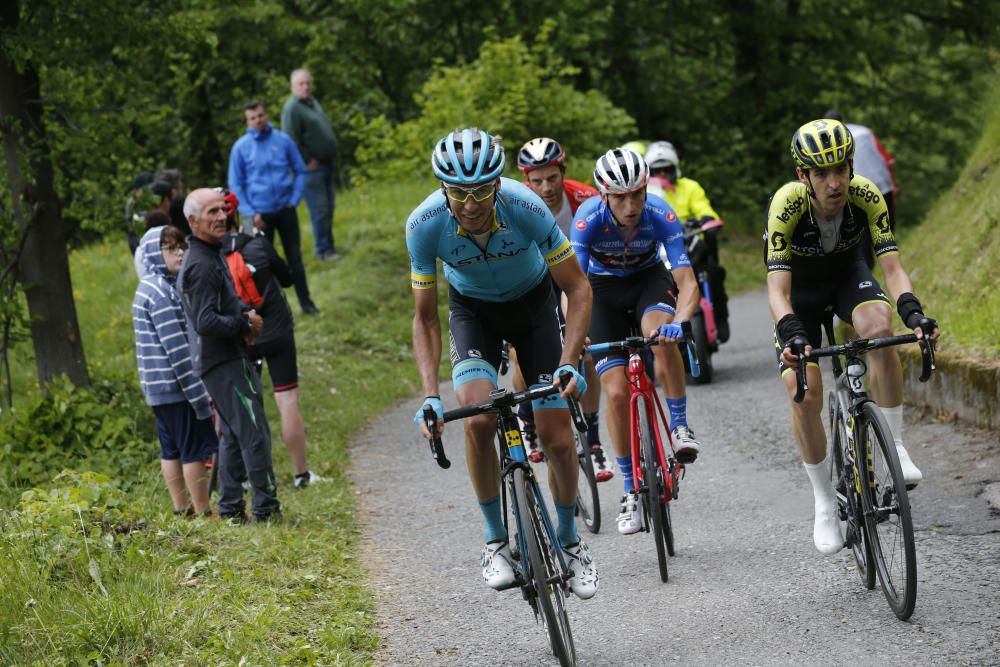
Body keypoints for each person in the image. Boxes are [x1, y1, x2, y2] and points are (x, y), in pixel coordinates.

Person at [408, 128, 599, 599]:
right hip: (472, 313)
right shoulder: (423, 224)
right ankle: (496, 540)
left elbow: (577, 289)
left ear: (498, 183)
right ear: (442, 188)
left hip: (534, 309)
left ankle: (572, 543)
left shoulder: (526, 206)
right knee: (477, 419)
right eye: (458, 192)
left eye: (481, 191)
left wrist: (571, 361)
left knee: (555, 437)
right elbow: (426, 318)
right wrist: (431, 393)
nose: (470, 204)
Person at [765, 118, 939, 555]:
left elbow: (892, 268)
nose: (834, 181)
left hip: (848, 277)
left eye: (840, 168)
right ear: (802, 175)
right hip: (799, 295)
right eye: (821, 173)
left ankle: (895, 448)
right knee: (804, 392)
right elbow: (777, 291)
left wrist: (913, 313)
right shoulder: (786, 205)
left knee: (879, 330)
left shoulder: (866, 196)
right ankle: (825, 502)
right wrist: (791, 332)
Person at [570, 147, 702, 536]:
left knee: (661, 338)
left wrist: (680, 320)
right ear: (604, 195)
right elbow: (573, 287)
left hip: (648, 282)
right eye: (621, 197)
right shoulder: (586, 220)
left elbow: (687, 281)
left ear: (646, 190)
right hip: (602, 291)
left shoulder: (661, 214)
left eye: (637, 195)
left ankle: (679, 427)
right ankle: (629, 487)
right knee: (613, 393)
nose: (630, 206)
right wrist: (574, 334)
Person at [178, 188, 282, 523]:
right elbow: (204, 321)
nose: (222, 217)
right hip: (220, 362)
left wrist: (246, 315)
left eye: (223, 210)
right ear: (193, 221)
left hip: (227, 356)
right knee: (254, 434)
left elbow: (223, 304)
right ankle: (266, 512)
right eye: (212, 213)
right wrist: (243, 322)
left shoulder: (211, 252)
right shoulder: (200, 264)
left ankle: (232, 510)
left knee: (236, 437)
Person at [516, 137, 612, 481]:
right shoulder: (518, 204)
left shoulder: (585, 197)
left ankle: (595, 440)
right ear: (525, 180)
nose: (546, 187)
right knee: (522, 348)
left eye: (552, 178)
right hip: (533, 280)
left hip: (574, 277)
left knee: (585, 353)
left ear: (563, 172)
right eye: (537, 180)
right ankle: (527, 418)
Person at [219, 190, 329, 488]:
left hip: (244, 335)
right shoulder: (257, 245)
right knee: (287, 399)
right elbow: (289, 278)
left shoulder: (215, 259)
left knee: (248, 406)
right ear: (235, 218)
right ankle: (301, 474)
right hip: (277, 330)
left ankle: (246, 479)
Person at [131, 225, 218, 517]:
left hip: (157, 389)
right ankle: (204, 512)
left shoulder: (149, 286)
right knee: (191, 450)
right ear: (155, 254)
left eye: (181, 246)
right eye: (170, 248)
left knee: (170, 449)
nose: (179, 252)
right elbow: (177, 349)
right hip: (175, 386)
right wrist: (197, 391)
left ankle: (182, 509)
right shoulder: (160, 292)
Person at [228, 100, 320, 315]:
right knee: (255, 263)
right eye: (253, 117)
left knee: (294, 258)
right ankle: (262, 309)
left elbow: (300, 170)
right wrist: (250, 213)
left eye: (261, 115)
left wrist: (294, 200)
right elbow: (235, 184)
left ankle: (306, 303)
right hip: (255, 215)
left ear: (266, 115)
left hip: (285, 209)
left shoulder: (282, 140)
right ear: (247, 121)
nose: (258, 120)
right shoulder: (240, 147)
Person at [645, 140, 731, 342]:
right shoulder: (644, 193)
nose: (663, 174)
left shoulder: (690, 187)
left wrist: (707, 219)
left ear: (675, 168)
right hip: (659, 250)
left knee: (713, 273)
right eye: (657, 170)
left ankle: (720, 318)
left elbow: (705, 209)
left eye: (667, 169)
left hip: (689, 243)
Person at [281, 68, 340, 261]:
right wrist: (307, 161)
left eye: (308, 83)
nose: (305, 87)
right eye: (301, 84)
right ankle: (323, 251)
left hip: (327, 163)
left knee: (329, 207)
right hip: (312, 169)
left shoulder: (311, 102)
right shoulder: (292, 108)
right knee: (320, 209)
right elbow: (290, 139)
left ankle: (330, 246)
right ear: (293, 87)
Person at [824, 109, 898, 231]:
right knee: (889, 228)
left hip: (859, 193)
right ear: (843, 120)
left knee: (865, 235)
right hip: (882, 185)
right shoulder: (864, 131)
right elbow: (887, 160)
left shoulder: (828, 146)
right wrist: (893, 184)